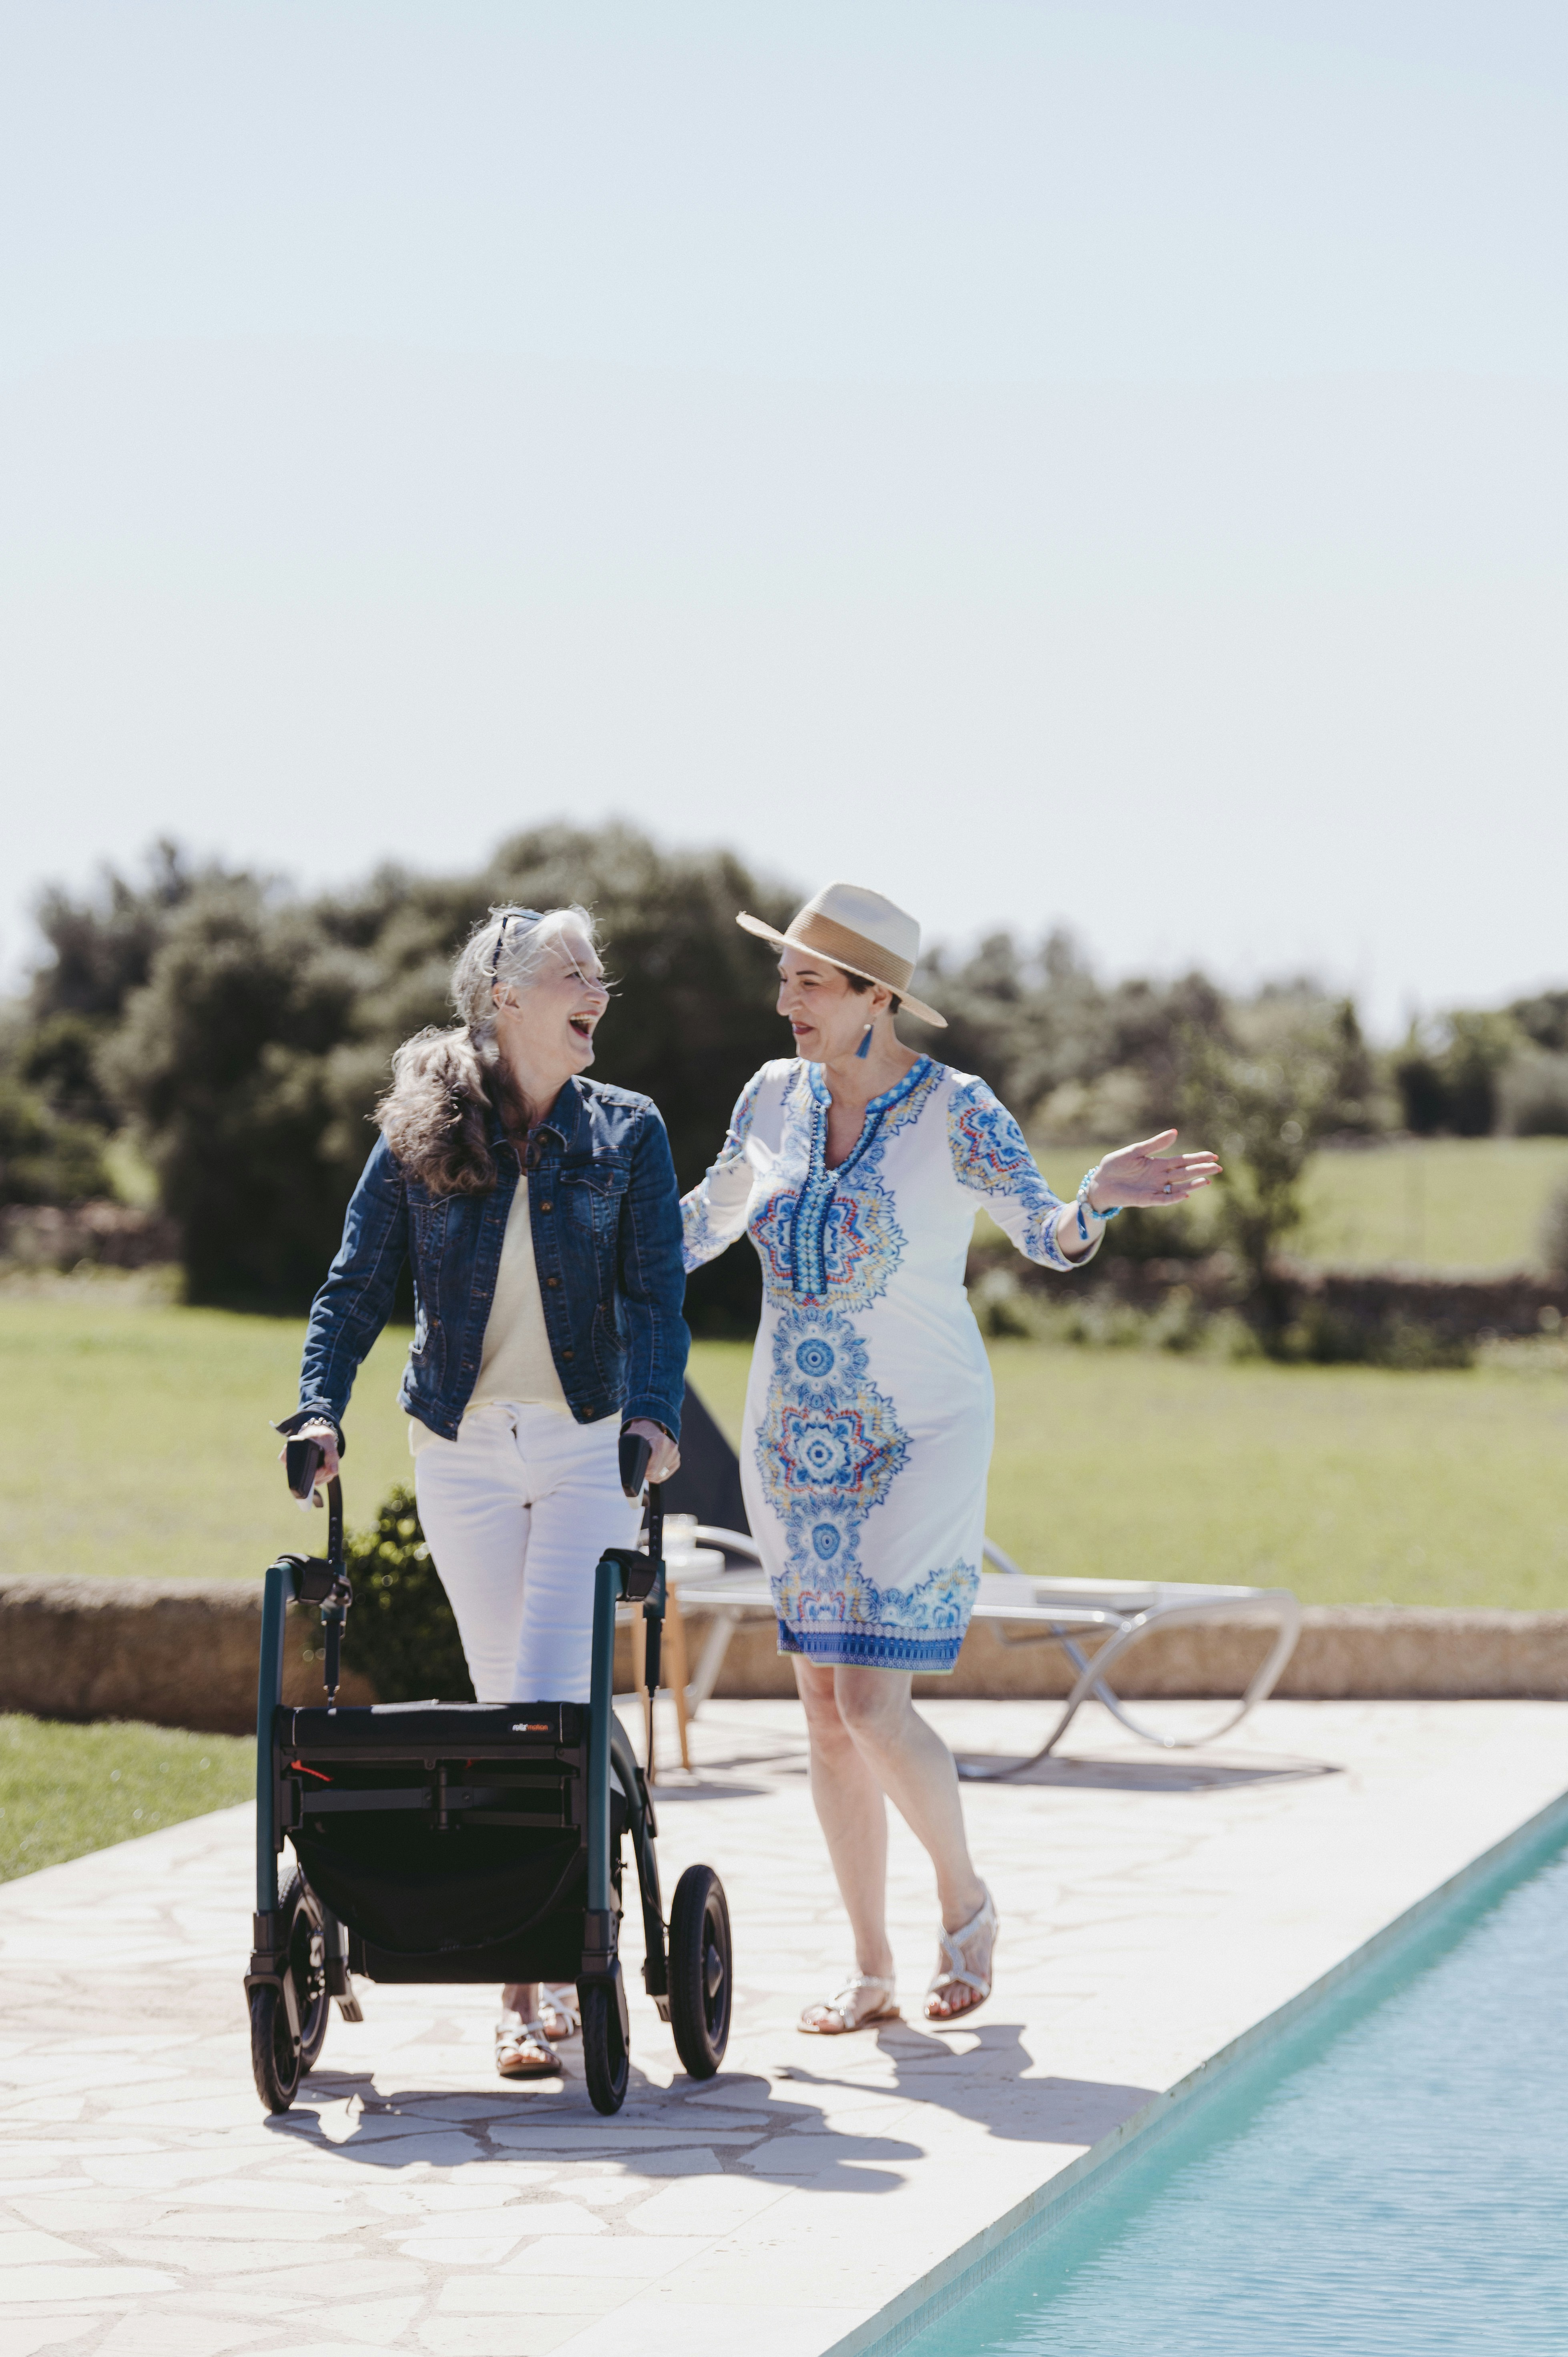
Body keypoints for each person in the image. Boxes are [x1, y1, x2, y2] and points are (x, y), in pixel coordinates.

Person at [682, 882, 1218, 2034]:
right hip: (793, 1440)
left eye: (810, 982)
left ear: (878, 999)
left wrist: (1100, 1199)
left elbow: (1048, 1235)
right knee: (822, 1706)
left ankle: (966, 1904)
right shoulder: (770, 1100)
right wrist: (592, 1239)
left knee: (873, 1703)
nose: (786, 1000)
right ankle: (871, 1968)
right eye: (786, 975)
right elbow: (706, 1221)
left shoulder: (957, 1111)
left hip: (920, 1435)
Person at [278, 903, 688, 2080]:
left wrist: (655, 1418)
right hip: (457, 1446)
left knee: (552, 1706)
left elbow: (658, 1300)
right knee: (502, 1696)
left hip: (584, 1449)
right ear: (504, 994)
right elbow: (355, 1284)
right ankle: (533, 1948)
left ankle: (536, 1983)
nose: (598, 988)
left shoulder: (629, 1133)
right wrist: (319, 1408)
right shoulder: (422, 1125)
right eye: (575, 971)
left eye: (602, 972)